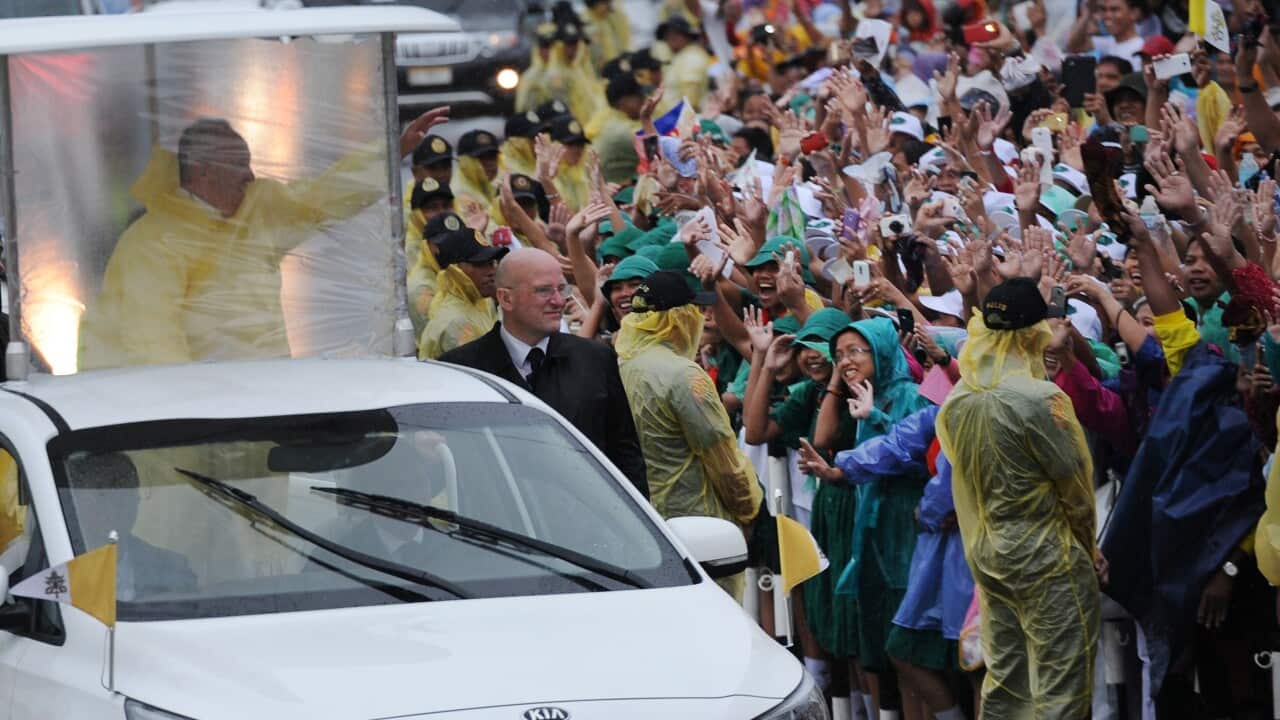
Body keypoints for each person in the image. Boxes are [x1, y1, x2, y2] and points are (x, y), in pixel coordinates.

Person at [78, 107, 449, 370]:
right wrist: (187, 409)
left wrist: (390, 153)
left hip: (266, 395)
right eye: (240, 164)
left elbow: (320, 199)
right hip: (192, 420)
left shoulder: (257, 209)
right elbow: (152, 338)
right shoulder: (153, 242)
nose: (251, 176)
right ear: (204, 173)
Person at [936, 277, 1101, 719]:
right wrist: (1088, 548)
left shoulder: (958, 402)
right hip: (1049, 559)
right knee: (1060, 690)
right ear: (1036, 334)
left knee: (1006, 686)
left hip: (990, 558)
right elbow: (1077, 490)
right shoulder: (1042, 399)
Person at [440, 248, 648, 498]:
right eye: (543, 290)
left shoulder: (595, 359)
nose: (558, 301)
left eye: (562, 289)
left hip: (588, 520)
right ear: (506, 299)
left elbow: (626, 455)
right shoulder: (463, 371)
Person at [615, 270, 761, 599]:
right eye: (694, 310)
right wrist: (749, 509)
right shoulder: (684, 376)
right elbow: (723, 458)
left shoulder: (618, 363)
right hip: (699, 525)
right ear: (677, 318)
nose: (700, 317)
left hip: (638, 522)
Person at [417, 221, 506, 360]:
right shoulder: (457, 323)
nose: (492, 271)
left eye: (491, 263)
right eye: (480, 264)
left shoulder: (482, 302)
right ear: (456, 271)